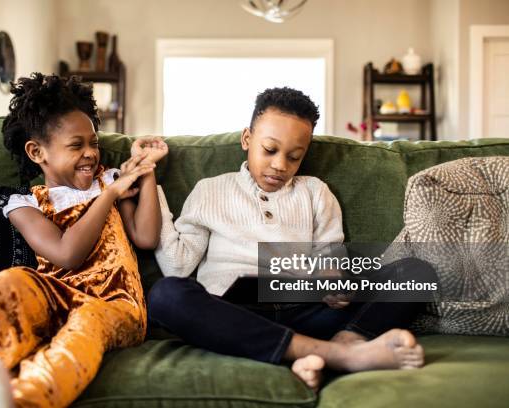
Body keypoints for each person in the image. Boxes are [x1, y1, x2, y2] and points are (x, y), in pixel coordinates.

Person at [0, 73, 168, 407]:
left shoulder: (109, 181)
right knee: (15, 281)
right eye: (76, 145)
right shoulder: (24, 205)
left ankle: (16, 401)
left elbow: (146, 236)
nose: (90, 154)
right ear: (37, 152)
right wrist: (110, 194)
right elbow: (66, 254)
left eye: (94, 143)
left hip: (114, 306)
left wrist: (146, 169)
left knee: (86, 323)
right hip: (54, 298)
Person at [148, 87, 432, 392]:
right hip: (237, 313)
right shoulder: (210, 190)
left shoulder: (315, 192)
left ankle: (346, 342)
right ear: (247, 139)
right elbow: (177, 266)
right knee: (166, 295)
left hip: (305, 308)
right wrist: (151, 186)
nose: (280, 165)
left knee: (416, 273)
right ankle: (339, 356)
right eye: (270, 150)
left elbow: (328, 254)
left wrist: (333, 281)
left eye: (294, 157)